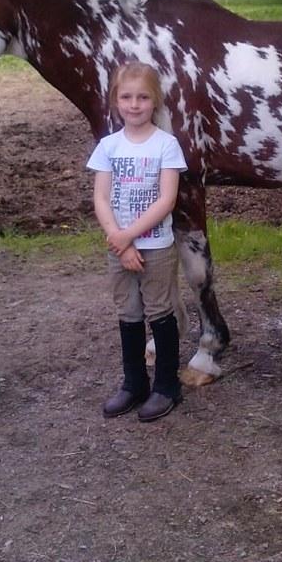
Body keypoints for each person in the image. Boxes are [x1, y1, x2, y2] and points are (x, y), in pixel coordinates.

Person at [87, 61, 188, 422]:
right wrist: (121, 242)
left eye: (143, 97)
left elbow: (166, 200)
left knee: (159, 311)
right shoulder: (108, 147)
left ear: (155, 101)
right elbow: (101, 198)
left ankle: (166, 386)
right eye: (127, 97)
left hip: (156, 247)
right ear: (116, 101)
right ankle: (134, 383)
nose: (134, 104)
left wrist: (129, 236)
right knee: (128, 313)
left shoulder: (167, 145)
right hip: (119, 247)